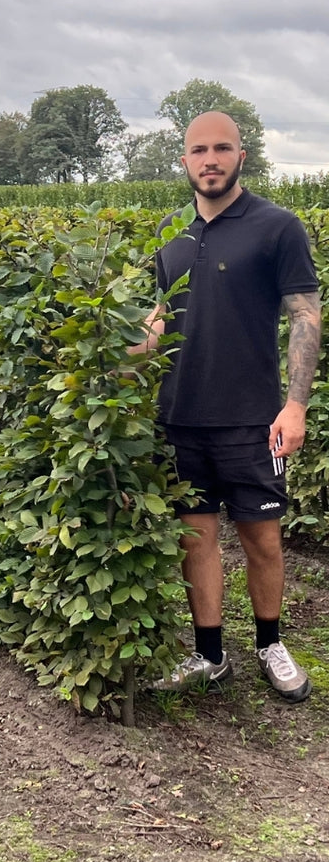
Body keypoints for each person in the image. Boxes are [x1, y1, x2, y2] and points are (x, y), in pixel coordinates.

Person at [135, 110, 321, 700]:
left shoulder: (277, 226)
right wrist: (134, 343)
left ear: (243, 156)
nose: (209, 160)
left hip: (253, 417)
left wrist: (294, 406)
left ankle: (270, 642)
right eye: (198, 150)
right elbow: (156, 320)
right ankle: (210, 654)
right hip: (181, 416)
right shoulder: (170, 233)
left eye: (222, 149)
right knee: (196, 536)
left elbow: (305, 316)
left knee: (262, 537)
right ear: (184, 160)